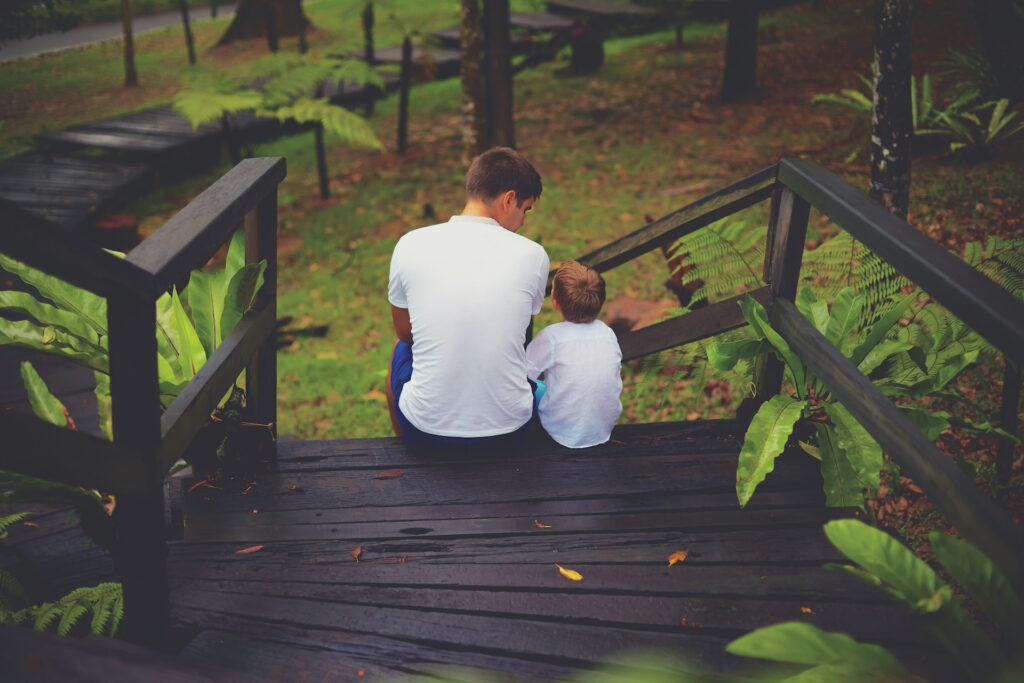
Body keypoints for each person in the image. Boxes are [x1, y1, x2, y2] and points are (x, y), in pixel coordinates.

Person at [386, 147, 549, 448]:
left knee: (400, 348)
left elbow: (405, 332)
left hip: (427, 432)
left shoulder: (409, 245)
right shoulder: (533, 255)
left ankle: (405, 446)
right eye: (524, 210)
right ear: (508, 200)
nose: (523, 222)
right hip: (510, 432)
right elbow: (519, 333)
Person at [526, 261, 622, 448]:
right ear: (600, 303)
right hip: (603, 429)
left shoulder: (551, 337)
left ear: (555, 303)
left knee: (536, 386)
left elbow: (523, 374)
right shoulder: (607, 333)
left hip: (559, 432)